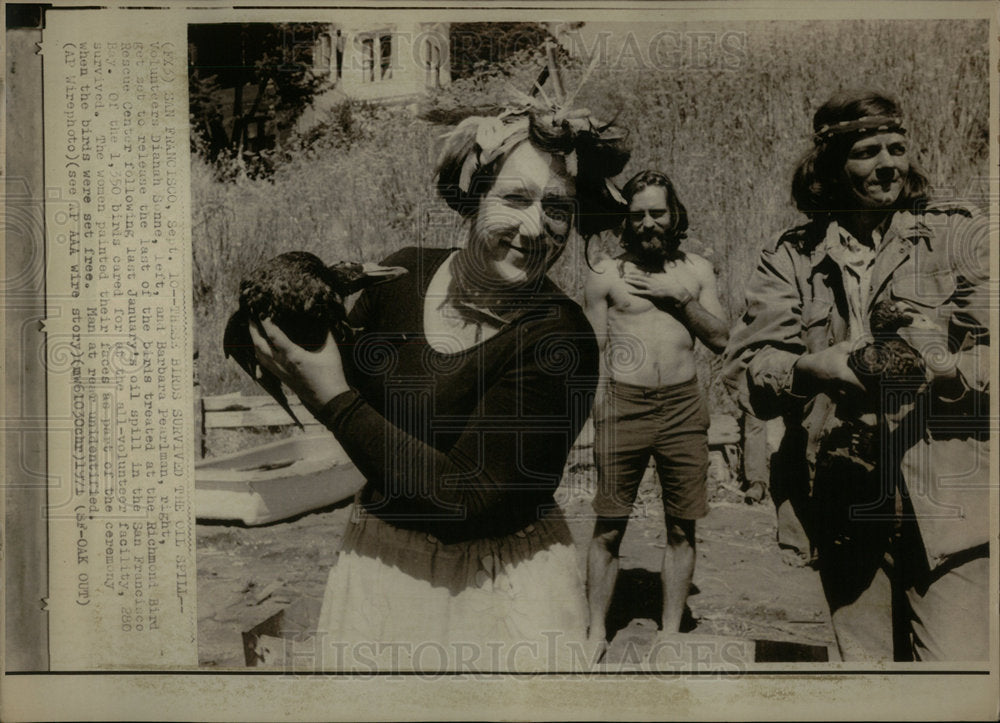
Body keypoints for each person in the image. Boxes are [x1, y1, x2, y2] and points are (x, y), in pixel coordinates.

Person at [250, 102, 630, 671]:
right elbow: (319, 360)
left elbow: (468, 500)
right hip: (379, 570)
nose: (535, 227)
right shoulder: (399, 276)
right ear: (472, 198)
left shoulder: (560, 338)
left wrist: (330, 400)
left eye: (557, 207)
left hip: (501, 593)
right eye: (516, 198)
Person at [724, 89, 989, 661]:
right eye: (867, 152)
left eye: (897, 148)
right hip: (841, 491)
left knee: (956, 673)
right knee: (866, 673)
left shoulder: (957, 236)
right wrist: (808, 369)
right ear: (830, 166)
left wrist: (946, 367)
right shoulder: (791, 257)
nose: (888, 164)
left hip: (948, 498)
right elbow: (748, 368)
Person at [584, 170, 729, 650]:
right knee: (609, 524)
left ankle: (670, 635)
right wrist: (599, 415)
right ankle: (595, 632)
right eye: (638, 214)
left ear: (674, 214)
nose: (648, 223)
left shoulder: (698, 272)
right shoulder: (606, 275)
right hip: (624, 406)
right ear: (626, 220)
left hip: (684, 408)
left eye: (657, 212)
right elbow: (592, 356)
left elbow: (722, 339)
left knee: (682, 525)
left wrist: (680, 300)